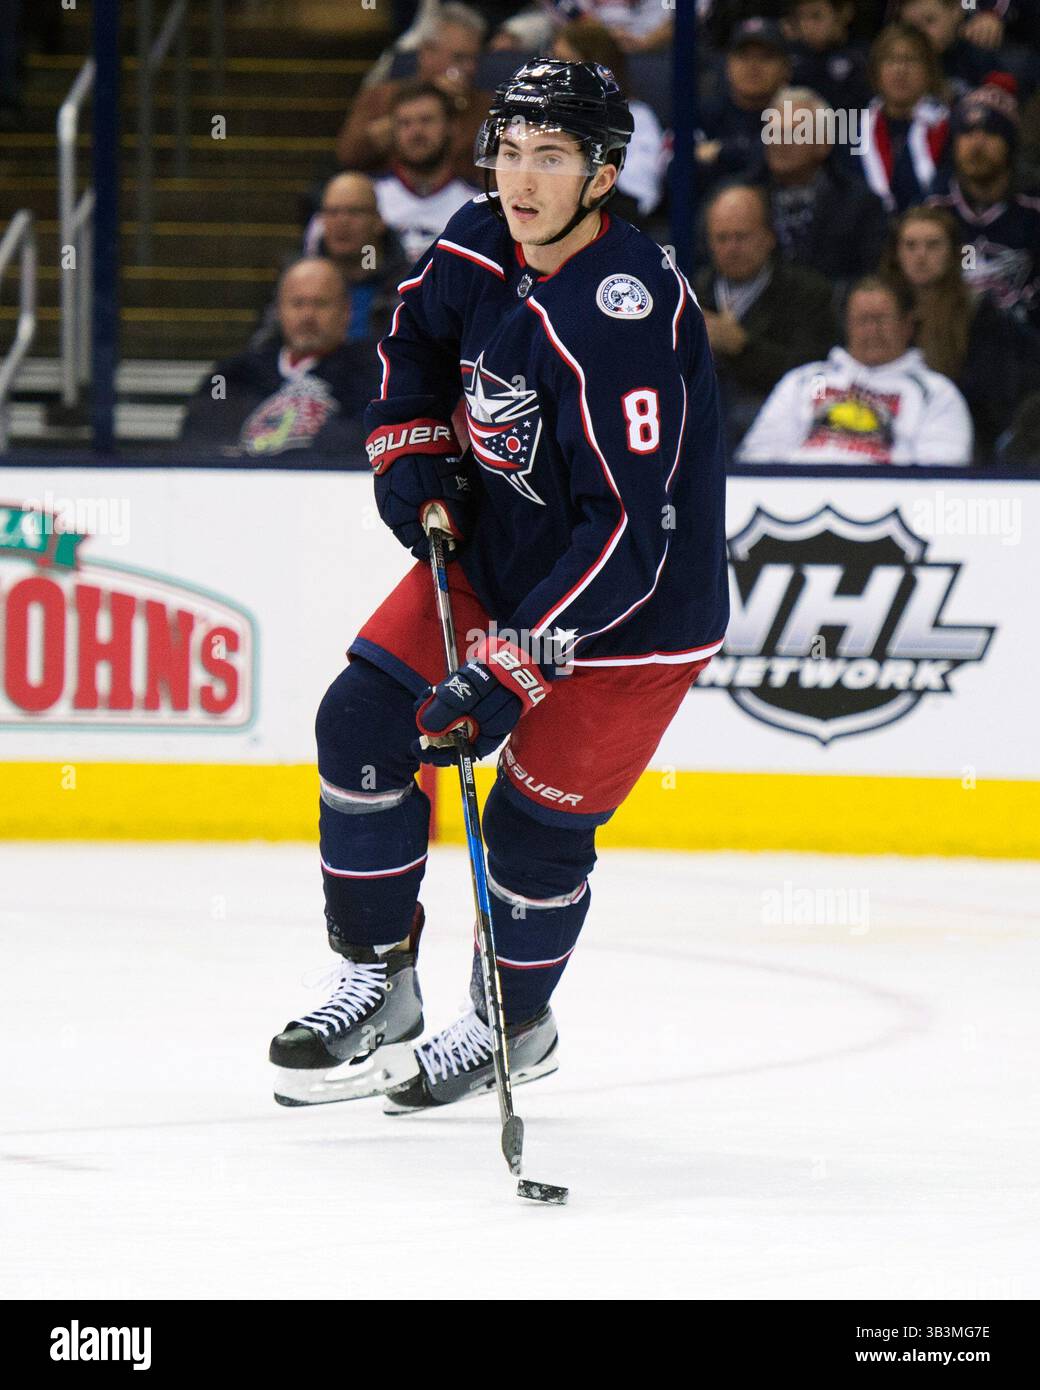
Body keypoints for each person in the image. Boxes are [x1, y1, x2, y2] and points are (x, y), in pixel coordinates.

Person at [268, 60, 729, 1111]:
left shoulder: (622, 315)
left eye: (551, 156)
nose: (520, 179)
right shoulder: (481, 233)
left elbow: (629, 529)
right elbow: (413, 346)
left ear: (602, 174)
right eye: (509, 151)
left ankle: (512, 1023)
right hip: (498, 553)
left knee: (529, 833)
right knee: (360, 721)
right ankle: (378, 980)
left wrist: (516, 663)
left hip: (629, 615)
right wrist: (417, 457)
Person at [737, 274, 973, 463]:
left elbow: (941, 476)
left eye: (881, 319)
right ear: (847, 325)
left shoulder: (935, 392)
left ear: (907, 325)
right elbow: (758, 457)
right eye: (862, 320)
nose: (871, 331)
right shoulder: (807, 381)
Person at [179, 259, 379, 459]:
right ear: (279, 310)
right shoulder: (234, 375)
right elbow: (198, 442)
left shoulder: (373, 375)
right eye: (297, 303)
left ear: (346, 311)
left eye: (320, 303)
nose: (307, 315)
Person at [695, 183, 838, 447]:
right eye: (721, 238)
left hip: (777, 423)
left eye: (741, 237)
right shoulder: (690, 292)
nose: (731, 248)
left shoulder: (807, 293)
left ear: (769, 237)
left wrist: (742, 346)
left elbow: (814, 376)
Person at [881, 204, 1029, 458]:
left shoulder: (979, 313)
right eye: (911, 245)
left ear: (953, 253)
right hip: (882, 425)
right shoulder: (878, 308)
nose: (920, 256)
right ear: (896, 253)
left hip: (958, 433)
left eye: (933, 245)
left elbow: (991, 396)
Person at [927, 76, 1040, 329]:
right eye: (966, 133)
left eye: (990, 132)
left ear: (1009, 145)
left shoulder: (1034, 210)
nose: (977, 144)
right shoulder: (933, 211)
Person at [335, 3, 492, 184]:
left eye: (474, 59)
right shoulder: (380, 97)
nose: (470, 68)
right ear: (427, 53)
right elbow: (348, 156)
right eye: (459, 58)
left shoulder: (485, 107)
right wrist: (419, 106)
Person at [253, 173, 411, 350]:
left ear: (378, 221)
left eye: (354, 212)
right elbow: (263, 347)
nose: (342, 222)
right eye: (333, 212)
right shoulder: (299, 279)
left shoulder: (408, 284)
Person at [755, 85, 890, 286]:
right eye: (773, 132)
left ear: (823, 143)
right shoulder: (743, 198)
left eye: (795, 133)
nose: (779, 142)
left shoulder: (860, 203)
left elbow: (869, 279)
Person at [551, 17, 667, 221]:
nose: (554, 73)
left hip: (612, 219)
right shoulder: (544, 114)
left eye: (565, 63)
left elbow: (642, 194)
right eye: (553, 61)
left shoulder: (635, 116)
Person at [370, 82, 481, 263]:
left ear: (451, 127)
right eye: (405, 123)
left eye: (426, 120)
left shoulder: (477, 204)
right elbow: (362, 266)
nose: (416, 132)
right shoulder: (369, 195)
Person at [857, 21, 950, 212]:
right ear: (876, 71)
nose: (900, 70)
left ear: (929, 70)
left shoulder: (949, 128)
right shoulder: (853, 131)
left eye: (911, 60)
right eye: (890, 60)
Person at [696, 19, 793, 187]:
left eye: (766, 57)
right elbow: (673, 171)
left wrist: (721, 151)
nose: (753, 66)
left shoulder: (796, 116)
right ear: (727, 64)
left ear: (786, 68)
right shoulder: (701, 114)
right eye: (743, 56)